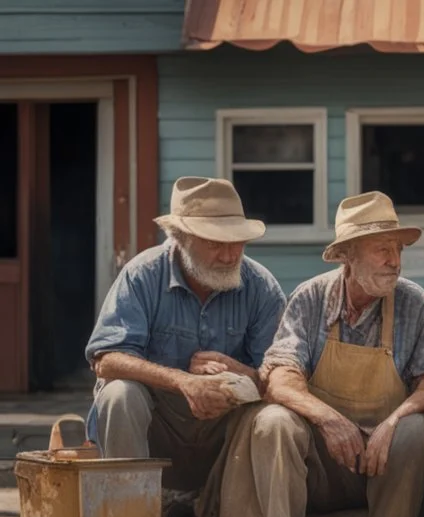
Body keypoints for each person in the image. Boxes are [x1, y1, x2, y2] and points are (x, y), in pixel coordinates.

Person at [217, 191, 424, 517]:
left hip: (383, 471)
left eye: (399, 249)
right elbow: (278, 377)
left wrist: (394, 420)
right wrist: (329, 419)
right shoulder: (309, 299)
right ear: (347, 255)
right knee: (274, 422)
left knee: (412, 429)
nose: (394, 261)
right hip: (323, 465)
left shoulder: (414, 304)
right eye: (382, 248)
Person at [84, 176, 285, 493]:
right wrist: (184, 381)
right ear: (179, 237)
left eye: (238, 242)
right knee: (119, 394)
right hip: (159, 424)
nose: (230, 255)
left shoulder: (261, 286)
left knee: (276, 414)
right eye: (216, 243)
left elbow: (280, 379)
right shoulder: (143, 274)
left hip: (226, 429)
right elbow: (106, 360)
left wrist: (238, 374)